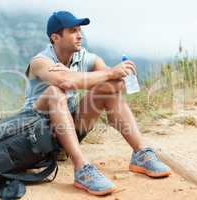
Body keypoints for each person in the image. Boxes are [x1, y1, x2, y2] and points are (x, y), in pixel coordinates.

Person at [24, 11, 171, 196]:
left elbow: (115, 86)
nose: (80, 35)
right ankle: (81, 168)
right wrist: (106, 74)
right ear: (55, 37)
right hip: (34, 136)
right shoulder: (40, 61)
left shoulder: (86, 57)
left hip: (66, 132)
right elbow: (64, 83)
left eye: (79, 30)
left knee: (107, 90)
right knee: (54, 91)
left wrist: (119, 74)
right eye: (72, 30)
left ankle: (141, 153)